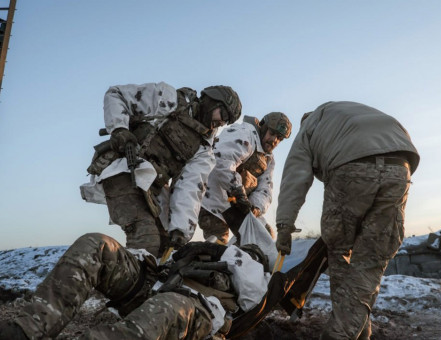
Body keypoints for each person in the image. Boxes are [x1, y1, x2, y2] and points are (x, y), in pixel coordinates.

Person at [275, 101, 419, 340]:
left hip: (350, 168)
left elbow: (295, 178)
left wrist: (284, 226)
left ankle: (338, 335)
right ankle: (360, 331)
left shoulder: (309, 127)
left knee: (339, 251)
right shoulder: (349, 113)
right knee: (371, 259)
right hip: (400, 166)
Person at [0, 233, 270, 340]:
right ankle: (26, 330)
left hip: (196, 310)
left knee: (165, 308)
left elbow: (253, 296)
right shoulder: (207, 250)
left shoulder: (256, 274)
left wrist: (224, 253)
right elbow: (149, 260)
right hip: (152, 285)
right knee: (97, 245)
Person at [80, 82, 242, 257]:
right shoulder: (169, 100)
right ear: (213, 102)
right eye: (224, 114)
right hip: (124, 170)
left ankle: (139, 281)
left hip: (151, 191)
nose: (221, 122)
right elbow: (116, 94)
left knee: (164, 248)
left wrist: (180, 231)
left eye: (227, 121)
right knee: (146, 239)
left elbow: (190, 188)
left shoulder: (203, 149)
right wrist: (119, 129)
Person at [199, 112, 292, 244]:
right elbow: (221, 160)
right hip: (212, 200)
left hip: (238, 206)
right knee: (216, 245)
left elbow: (265, 189)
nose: (274, 140)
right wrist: (238, 191)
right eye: (272, 133)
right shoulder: (244, 133)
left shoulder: (268, 159)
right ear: (263, 127)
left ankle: (240, 259)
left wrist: (255, 208)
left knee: (264, 236)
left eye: (279, 138)